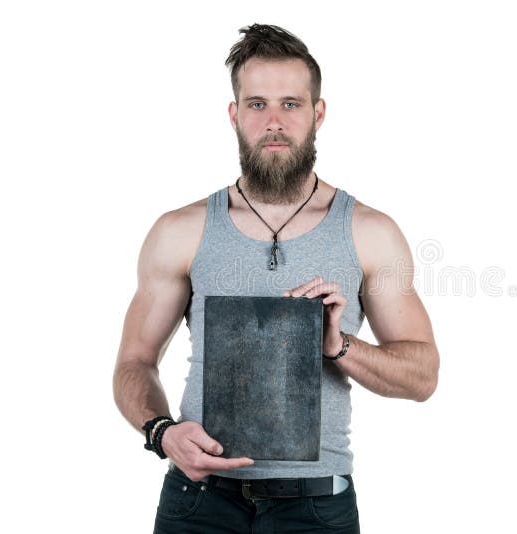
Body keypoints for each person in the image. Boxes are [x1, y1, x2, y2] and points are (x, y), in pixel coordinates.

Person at [113, 23, 439, 534]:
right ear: (234, 114)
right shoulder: (180, 231)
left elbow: (423, 376)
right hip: (197, 501)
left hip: (314, 506)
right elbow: (134, 362)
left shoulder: (371, 232)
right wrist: (162, 433)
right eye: (257, 104)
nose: (274, 122)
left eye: (291, 104)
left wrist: (339, 345)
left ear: (318, 113)